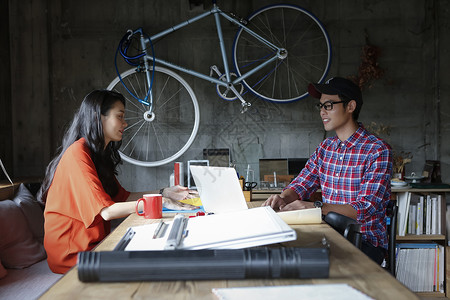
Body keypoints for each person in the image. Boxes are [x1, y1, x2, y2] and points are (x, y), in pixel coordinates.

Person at [38, 90, 198, 274]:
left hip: (96, 246)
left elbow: (123, 197)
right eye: (120, 116)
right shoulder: (77, 154)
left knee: (162, 249)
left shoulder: (96, 154)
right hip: (74, 255)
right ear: (98, 117)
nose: (125, 123)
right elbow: (107, 212)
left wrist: (164, 192)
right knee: (157, 260)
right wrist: (158, 202)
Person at [262, 77, 392, 264]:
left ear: (350, 106)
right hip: (329, 233)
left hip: (364, 241)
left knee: (301, 264)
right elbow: (301, 184)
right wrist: (283, 197)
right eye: (320, 106)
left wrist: (315, 207)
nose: (322, 111)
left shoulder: (377, 150)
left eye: (329, 105)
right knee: (278, 254)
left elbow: (366, 208)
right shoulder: (325, 148)